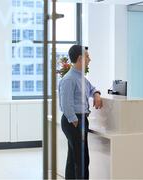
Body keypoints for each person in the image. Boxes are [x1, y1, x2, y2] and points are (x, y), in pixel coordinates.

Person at [59, 45, 102, 179]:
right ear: (80, 58)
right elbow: (66, 104)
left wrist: (96, 94)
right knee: (82, 159)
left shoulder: (80, 77)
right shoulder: (69, 79)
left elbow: (91, 88)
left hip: (80, 120)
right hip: (74, 121)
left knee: (74, 158)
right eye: (87, 56)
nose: (90, 59)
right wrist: (74, 121)